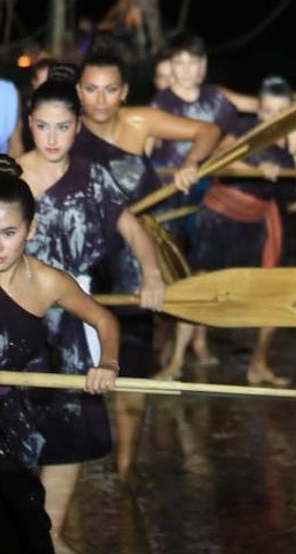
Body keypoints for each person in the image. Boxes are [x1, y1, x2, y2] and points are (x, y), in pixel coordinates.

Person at [16, 66, 164, 548]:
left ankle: (54, 533)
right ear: (29, 123)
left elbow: (134, 230)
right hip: (15, 323)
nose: (52, 137)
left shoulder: (93, 176)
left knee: (65, 437)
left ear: (78, 127)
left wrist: (153, 275)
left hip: (74, 325)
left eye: (63, 126)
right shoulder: (9, 177)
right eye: (42, 125)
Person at [72, 43, 220, 478]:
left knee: (133, 367)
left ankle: (125, 470)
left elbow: (206, 133)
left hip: (136, 260)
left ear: (124, 91)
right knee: (78, 365)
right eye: (92, 90)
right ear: (79, 91)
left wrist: (191, 164)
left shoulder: (141, 121)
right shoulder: (66, 130)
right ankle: (74, 465)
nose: (100, 100)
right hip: (85, 260)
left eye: (110, 90)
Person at [179, 76, 296, 385]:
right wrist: (254, 168)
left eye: (280, 112)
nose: (273, 119)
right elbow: (215, 160)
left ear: (292, 111)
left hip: (260, 220)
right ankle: (180, 357)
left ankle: (258, 363)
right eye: (267, 111)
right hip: (222, 213)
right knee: (202, 282)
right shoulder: (243, 130)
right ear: (259, 110)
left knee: (273, 289)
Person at [0, 155, 121, 554]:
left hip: (12, 424)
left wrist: (108, 364)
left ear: (30, 230)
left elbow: (104, 320)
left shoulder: (47, 282)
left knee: (29, 528)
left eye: (8, 232)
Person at [148, 31, 241, 371]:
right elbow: (149, 144)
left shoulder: (217, 100)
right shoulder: (161, 103)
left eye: (192, 63)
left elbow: (233, 132)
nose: (186, 70)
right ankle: (167, 341)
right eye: (179, 63)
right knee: (172, 269)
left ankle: (197, 342)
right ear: (172, 66)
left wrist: (222, 151)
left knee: (203, 269)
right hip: (167, 195)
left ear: (203, 67)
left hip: (206, 194)